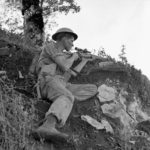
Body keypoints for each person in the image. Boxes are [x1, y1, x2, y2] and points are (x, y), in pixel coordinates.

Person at [35, 27, 97, 140]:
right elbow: (64, 66)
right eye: (71, 40)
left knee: (92, 89)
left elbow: (72, 73)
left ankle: (64, 101)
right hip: (48, 80)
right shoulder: (51, 47)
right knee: (67, 95)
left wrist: (84, 60)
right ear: (62, 37)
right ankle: (47, 126)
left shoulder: (65, 56)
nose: (72, 44)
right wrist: (74, 56)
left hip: (62, 83)